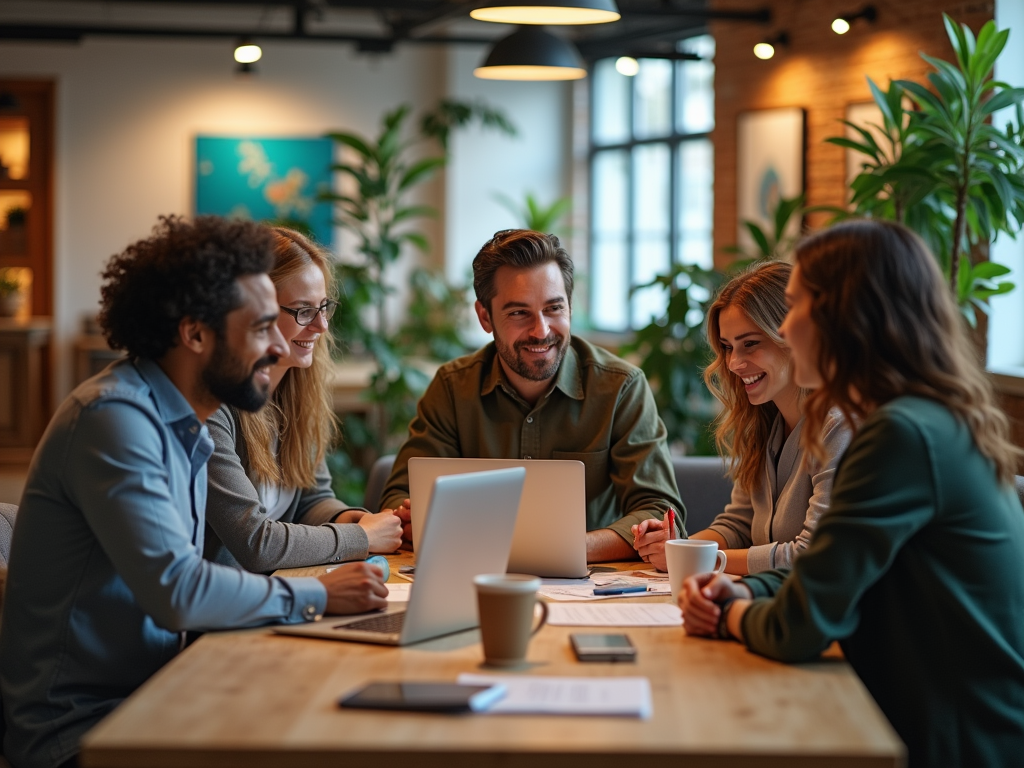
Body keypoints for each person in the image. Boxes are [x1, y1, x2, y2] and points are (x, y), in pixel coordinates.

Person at [0, 216, 389, 768]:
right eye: (261, 327)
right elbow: (178, 589)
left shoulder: (178, 422)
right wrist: (320, 595)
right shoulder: (115, 419)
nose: (280, 345)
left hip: (161, 690)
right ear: (196, 333)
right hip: (83, 731)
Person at [680, 220, 1024, 767]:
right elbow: (828, 565)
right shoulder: (924, 419)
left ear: (846, 317)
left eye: (795, 308)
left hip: (952, 738)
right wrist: (747, 592)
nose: (786, 330)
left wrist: (727, 616)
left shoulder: (898, 434)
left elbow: (800, 625)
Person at [380, 229, 684, 562]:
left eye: (554, 308)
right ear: (485, 317)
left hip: (596, 589)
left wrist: (569, 548)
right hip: (472, 577)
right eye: (518, 313)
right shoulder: (453, 387)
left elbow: (659, 512)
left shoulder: (621, 388)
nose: (541, 331)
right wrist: (408, 518)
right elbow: (401, 497)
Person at [631, 261, 851, 573]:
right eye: (727, 347)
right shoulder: (762, 423)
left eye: (750, 344)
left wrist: (696, 560)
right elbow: (738, 527)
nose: (734, 363)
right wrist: (678, 548)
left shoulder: (839, 427)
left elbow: (814, 555)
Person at [203, 228, 402, 572]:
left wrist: (351, 519)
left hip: (278, 585)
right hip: (229, 604)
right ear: (254, 313)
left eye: (324, 307)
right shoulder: (211, 406)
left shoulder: (296, 391)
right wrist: (360, 537)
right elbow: (256, 543)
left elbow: (312, 499)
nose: (322, 325)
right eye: (303, 311)